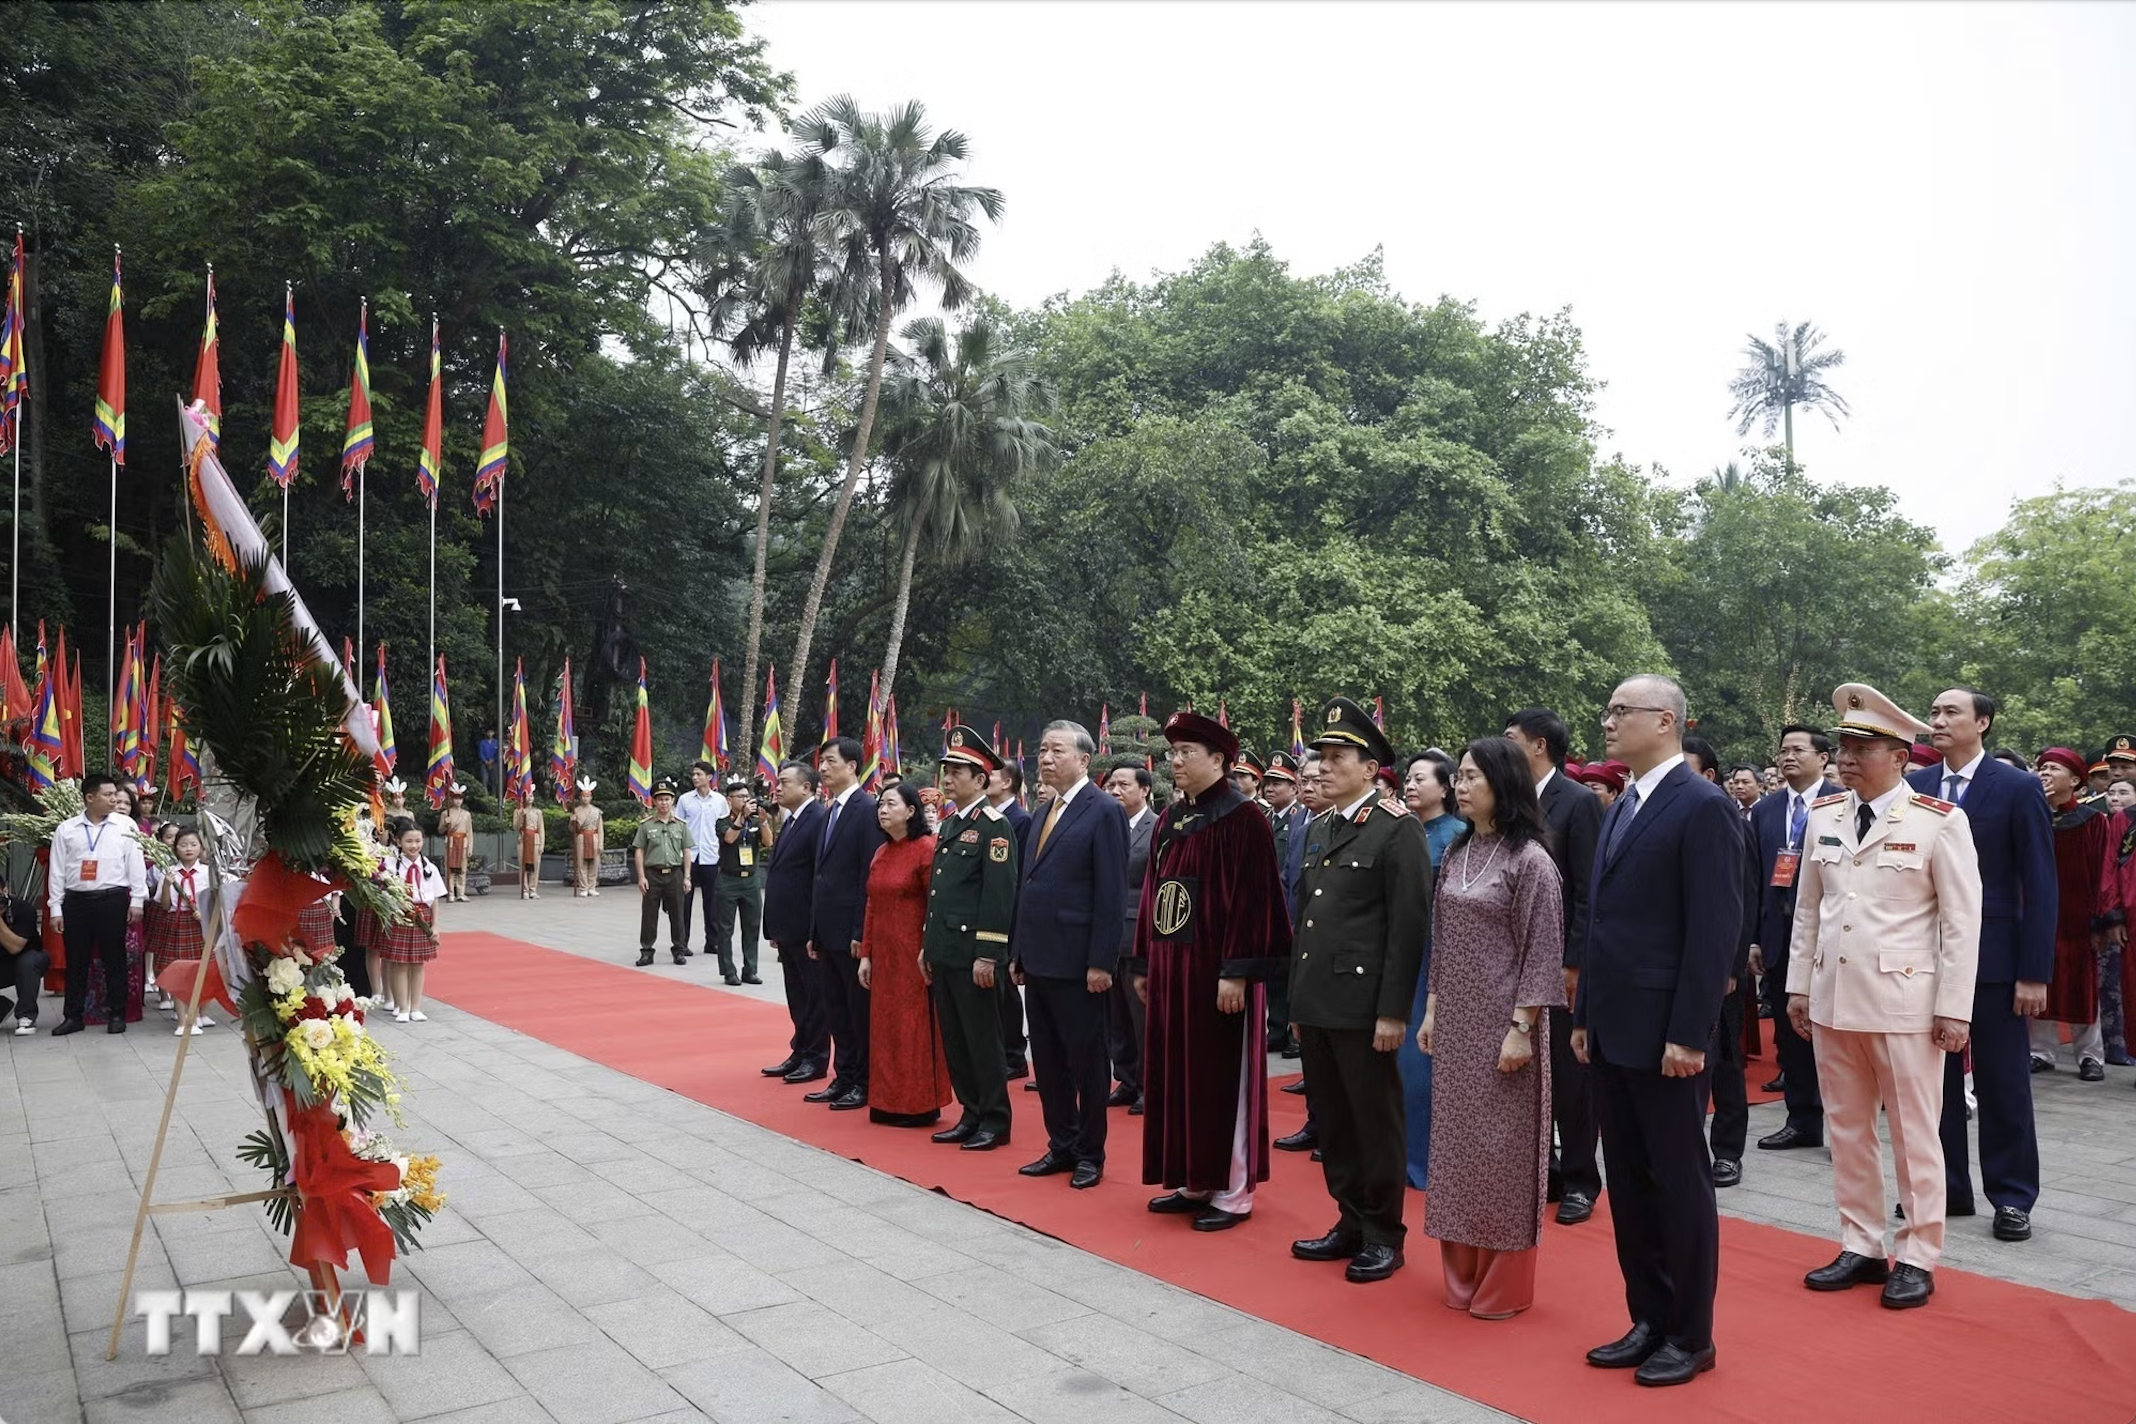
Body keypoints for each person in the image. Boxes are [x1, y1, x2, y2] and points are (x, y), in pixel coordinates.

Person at [1788, 683, 1982, 1309]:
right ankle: (1862, 1244)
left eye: (1862, 748)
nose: (1846, 758)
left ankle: (1919, 1253)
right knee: (1847, 1131)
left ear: (1900, 756)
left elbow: (1962, 922)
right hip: (1834, 997)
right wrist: (1798, 986)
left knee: (1915, 1134)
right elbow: (1808, 911)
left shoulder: (1939, 821)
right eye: (1843, 747)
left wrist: (1954, 1007)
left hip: (1905, 1004)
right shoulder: (1825, 817)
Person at [1572, 675, 1741, 1388]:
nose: (1608, 722)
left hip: (1667, 1031)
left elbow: (1714, 928)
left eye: (1622, 711)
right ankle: (1648, 1315)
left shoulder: (1703, 805)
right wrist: (1584, 1014)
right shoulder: (1622, 804)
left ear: (1665, 720)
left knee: (1678, 1182)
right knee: (1630, 1180)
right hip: (1614, 1025)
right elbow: (1600, 919)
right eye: (1608, 711)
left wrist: (1692, 1031)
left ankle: (1691, 1334)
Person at [1418, 737, 1566, 1317]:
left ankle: (1503, 1284)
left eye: (1471, 777)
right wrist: (1432, 1011)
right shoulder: (1459, 852)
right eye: (1458, 776)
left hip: (1506, 1025)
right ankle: (1460, 1276)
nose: (1460, 786)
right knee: (1456, 1150)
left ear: (1504, 784)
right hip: (1455, 1022)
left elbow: (1542, 951)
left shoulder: (1530, 861)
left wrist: (1522, 1027)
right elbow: (1442, 940)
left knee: (1501, 1153)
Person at [1131, 711, 1293, 1232]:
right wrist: (1144, 960)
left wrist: (1237, 971)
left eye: (1187, 753)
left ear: (1219, 760)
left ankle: (1234, 1188)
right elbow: (1155, 893)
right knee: (1180, 1077)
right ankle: (1194, 1177)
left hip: (1218, 974)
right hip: (1172, 971)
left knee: (1224, 1080)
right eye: (1173, 753)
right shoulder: (1170, 819)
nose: (1176, 762)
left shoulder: (1244, 819)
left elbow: (1256, 900)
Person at [1288, 698, 1432, 1284]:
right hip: (1319, 1000)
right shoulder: (1320, 826)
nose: (1322, 767)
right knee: (1334, 1119)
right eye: (1320, 756)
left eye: (1336, 757)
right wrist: (1297, 999)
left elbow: (1408, 928)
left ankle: (1383, 1234)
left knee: (1374, 1121)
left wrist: (1393, 1011)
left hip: (1365, 1005)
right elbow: (1307, 920)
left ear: (1370, 768)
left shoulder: (1397, 829)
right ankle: (1349, 1218)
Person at [1912, 688, 2056, 1243]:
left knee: (2003, 1082)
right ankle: (1947, 1188)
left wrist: (2033, 971)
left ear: (1983, 723)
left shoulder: (2017, 787)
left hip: (1995, 958)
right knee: (1933, 1082)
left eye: (1951, 712)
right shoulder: (1918, 786)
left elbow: (2040, 882)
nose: (1938, 720)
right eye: (1934, 712)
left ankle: (2013, 1196)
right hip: (1925, 956)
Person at [1012, 721, 1130, 1189]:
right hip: (1039, 958)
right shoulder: (1042, 811)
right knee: (1047, 1060)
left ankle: (1089, 1152)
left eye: (1056, 751)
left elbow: (1111, 893)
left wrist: (1102, 961)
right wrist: (1018, 951)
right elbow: (1028, 886)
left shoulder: (1104, 810)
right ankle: (1060, 1143)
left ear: (1084, 759)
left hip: (1080, 963)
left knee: (1087, 1062)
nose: (1045, 758)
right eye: (1042, 750)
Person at [1503, 707, 1604, 1226]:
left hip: (1560, 961)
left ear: (1538, 745)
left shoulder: (1578, 801)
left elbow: (1588, 890)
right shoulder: (1508, 801)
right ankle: (1544, 1171)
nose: (1503, 746)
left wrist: (1575, 962)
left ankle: (1582, 1180)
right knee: (1525, 1075)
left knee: (1569, 1076)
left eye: (1511, 738)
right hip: (1511, 961)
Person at [1749, 726, 1843, 1152]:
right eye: (1783, 750)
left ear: (1823, 758)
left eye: (1798, 750)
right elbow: (1753, 877)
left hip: (1830, 935)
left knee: (1835, 1034)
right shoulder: (1766, 810)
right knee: (1791, 1033)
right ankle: (1801, 1119)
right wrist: (1754, 938)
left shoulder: (1842, 802)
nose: (1788, 757)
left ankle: (1843, 1127)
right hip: (1779, 935)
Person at [926, 728, 1021, 1149]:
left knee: (982, 1040)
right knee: (956, 1039)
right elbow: (939, 893)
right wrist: (928, 946)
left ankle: (994, 1119)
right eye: (945, 771)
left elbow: (998, 897)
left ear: (981, 780)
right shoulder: (950, 824)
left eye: (957, 772)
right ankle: (970, 1111)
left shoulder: (994, 828)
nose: (947, 779)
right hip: (946, 951)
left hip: (974, 955)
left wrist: (989, 954)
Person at [1681, 735, 1761, 1190]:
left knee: (1726, 1061)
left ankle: (1728, 1151)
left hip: (1722, 969)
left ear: (1709, 776)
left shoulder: (1727, 819)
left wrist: (1732, 967)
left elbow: (1741, 902)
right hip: (1680, 962)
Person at [854, 782, 951, 1127]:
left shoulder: (926, 849)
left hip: (914, 955)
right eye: (880, 804)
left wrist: (930, 948)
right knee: (885, 1028)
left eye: (891, 804)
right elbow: (872, 906)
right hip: (884, 956)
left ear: (911, 811)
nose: (882, 810)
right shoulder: (881, 853)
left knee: (914, 1029)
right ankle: (886, 1100)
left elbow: (936, 905)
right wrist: (866, 954)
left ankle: (919, 1103)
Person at [1397, 748, 1463, 1188]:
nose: (1410, 784)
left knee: (1424, 1064)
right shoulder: (1403, 831)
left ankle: (1426, 1161)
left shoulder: (1457, 836)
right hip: (1401, 954)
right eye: (1408, 778)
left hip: (1435, 959)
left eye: (1421, 778)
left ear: (1445, 787)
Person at [2028, 748, 2115, 1079]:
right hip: (2038, 915)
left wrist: (2100, 918)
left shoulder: (2092, 821)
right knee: (2038, 979)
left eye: (2054, 768)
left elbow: (2103, 870)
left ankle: (2091, 1055)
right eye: (2042, 767)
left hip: (2079, 917)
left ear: (2076, 780)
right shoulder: (2030, 815)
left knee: (2083, 987)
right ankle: (2041, 1051)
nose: (2045, 773)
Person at [808, 737, 885, 1112]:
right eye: (821, 762)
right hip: (826, 931)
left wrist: (860, 933)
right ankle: (844, 1075)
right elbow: (821, 876)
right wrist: (814, 930)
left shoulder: (866, 809)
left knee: (858, 1012)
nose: (822, 768)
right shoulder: (829, 810)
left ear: (852, 766)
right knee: (836, 1008)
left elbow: (867, 877)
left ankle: (864, 1081)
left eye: (830, 761)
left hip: (851, 934)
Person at [48, 772, 149, 1036]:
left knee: (114, 959)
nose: (114, 799)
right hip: (76, 901)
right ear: (90, 797)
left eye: (115, 794)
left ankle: (117, 1014)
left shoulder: (125, 825)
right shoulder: (67, 829)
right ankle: (73, 1016)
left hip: (112, 899)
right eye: (108, 795)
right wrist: (55, 907)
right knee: (76, 961)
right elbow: (57, 870)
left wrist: (137, 900)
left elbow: (135, 864)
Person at [761, 761, 829, 1084]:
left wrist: (815, 927)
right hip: (788, 926)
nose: (778, 787)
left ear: (806, 787)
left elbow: (818, 877)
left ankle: (816, 1057)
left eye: (785, 782)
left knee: (814, 996)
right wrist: (774, 925)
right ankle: (800, 1050)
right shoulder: (791, 819)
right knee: (797, 994)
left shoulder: (817, 819)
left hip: (805, 927)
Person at [1105, 765, 1158, 1115]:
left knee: (1142, 1017)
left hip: (1139, 935)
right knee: (1116, 1017)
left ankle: (1147, 1084)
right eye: (1111, 785)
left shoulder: (1157, 828)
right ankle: (1125, 1078)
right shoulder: (1107, 825)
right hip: (1107, 936)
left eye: (1123, 785)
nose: (1115, 791)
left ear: (1145, 790)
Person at [986, 763, 1033, 1082]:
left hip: (1010, 913)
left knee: (1006, 989)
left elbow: (1019, 876)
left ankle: (1015, 1055)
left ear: (1006, 782)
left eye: (990, 774)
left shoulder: (1020, 820)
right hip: (989, 912)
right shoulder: (987, 818)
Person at [380, 817, 448, 1023]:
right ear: (399, 841)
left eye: (418, 841)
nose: (414, 845)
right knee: (399, 963)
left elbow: (434, 899)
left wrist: (435, 925)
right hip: (399, 915)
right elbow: (383, 894)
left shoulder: (429, 867)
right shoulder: (390, 866)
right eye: (409, 841)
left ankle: (415, 1007)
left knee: (418, 963)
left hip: (422, 915)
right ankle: (402, 1007)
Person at [1264, 751, 1310, 1057]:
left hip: (1298, 909)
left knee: (1293, 973)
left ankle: (1292, 1033)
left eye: (1277, 783)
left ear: (1293, 788)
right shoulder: (1270, 818)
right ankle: (1278, 1029)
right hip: (1276, 905)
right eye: (1267, 783)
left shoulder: (1302, 818)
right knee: (1277, 973)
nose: (1270, 788)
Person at [148, 828, 214, 1035]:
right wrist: (167, 885)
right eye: (183, 845)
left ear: (201, 848)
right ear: (175, 848)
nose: (188, 849)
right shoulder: (169, 872)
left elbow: (214, 902)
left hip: (200, 925)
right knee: (179, 972)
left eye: (193, 844)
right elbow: (165, 906)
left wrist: (204, 913)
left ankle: (200, 1013)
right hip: (178, 924)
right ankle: (183, 1021)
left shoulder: (207, 874)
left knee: (202, 970)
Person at [714, 777, 771, 986]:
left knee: (752, 927)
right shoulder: (723, 821)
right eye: (740, 797)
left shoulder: (754, 822)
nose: (746, 800)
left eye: (747, 796)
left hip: (751, 881)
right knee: (725, 928)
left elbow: (768, 842)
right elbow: (729, 838)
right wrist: (741, 818)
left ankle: (750, 970)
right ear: (730, 800)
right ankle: (729, 971)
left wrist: (763, 821)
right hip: (728, 880)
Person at [631, 779, 692, 966]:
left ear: (673, 801)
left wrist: (687, 877)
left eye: (667, 799)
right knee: (649, 915)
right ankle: (647, 951)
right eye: (660, 799)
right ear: (654, 802)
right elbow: (639, 851)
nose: (664, 803)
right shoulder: (646, 825)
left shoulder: (681, 825)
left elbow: (687, 850)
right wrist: (641, 876)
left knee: (678, 914)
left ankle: (679, 950)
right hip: (653, 875)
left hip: (674, 874)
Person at [676, 761, 731, 962]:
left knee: (712, 902)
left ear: (709, 777)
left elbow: (725, 828)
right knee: (684, 902)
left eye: (699, 774)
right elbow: (678, 827)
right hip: (689, 857)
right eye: (693, 774)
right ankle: (682, 942)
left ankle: (712, 942)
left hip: (711, 856)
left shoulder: (719, 801)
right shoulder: (684, 800)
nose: (695, 777)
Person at [1, 879, 51, 1035]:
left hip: (27, 958)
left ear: (5, 890)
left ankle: (26, 1015)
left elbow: (15, 947)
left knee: (27, 963)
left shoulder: (23, 909)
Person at [569, 778, 605, 898]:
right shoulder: (576, 811)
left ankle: (592, 887)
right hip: (581, 838)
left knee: (594, 864)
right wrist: (572, 821)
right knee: (581, 864)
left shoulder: (596, 811)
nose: (585, 798)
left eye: (587, 796)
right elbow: (572, 830)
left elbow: (600, 829)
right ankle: (583, 887)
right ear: (580, 797)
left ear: (591, 797)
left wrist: (600, 844)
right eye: (583, 796)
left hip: (594, 838)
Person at [439, 784, 475, 902]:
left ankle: (461, 892)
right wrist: (445, 824)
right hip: (451, 842)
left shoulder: (466, 814)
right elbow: (440, 830)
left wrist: (470, 847)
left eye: (460, 798)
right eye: (455, 798)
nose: (458, 801)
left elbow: (469, 831)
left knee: (462, 869)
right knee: (450, 869)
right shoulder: (446, 813)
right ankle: (450, 893)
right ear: (451, 799)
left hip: (463, 842)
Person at [511, 792, 545, 900]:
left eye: (531, 795)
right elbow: (515, 827)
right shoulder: (518, 811)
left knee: (535, 865)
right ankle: (524, 890)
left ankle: (533, 889)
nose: (530, 798)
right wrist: (521, 816)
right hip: (523, 839)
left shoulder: (538, 812)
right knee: (523, 866)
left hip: (535, 839)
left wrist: (542, 844)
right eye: (527, 795)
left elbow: (541, 829)